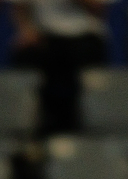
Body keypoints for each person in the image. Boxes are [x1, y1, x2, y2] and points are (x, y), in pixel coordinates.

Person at [12, 0, 109, 133]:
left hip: (84, 35)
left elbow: (98, 8)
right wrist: (26, 30)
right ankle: (38, 129)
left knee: (80, 60)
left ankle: (80, 127)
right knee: (26, 55)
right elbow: (20, 8)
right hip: (43, 36)